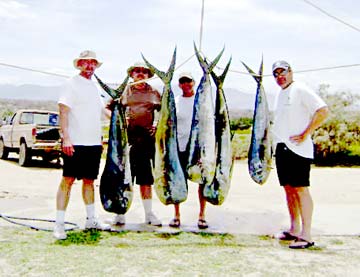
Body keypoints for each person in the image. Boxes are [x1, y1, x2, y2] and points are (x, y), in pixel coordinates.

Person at [53, 50, 111, 240]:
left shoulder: (95, 87)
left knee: (89, 182)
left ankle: (91, 219)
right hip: (75, 143)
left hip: (94, 143)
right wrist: (66, 138)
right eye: (85, 62)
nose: (89, 66)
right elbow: (63, 110)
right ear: (79, 65)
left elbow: (103, 111)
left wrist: (121, 118)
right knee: (67, 181)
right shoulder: (71, 84)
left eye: (93, 62)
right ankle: (59, 225)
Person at [272, 60, 329, 249]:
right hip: (282, 148)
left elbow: (323, 111)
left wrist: (306, 133)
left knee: (301, 189)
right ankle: (294, 228)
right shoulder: (280, 93)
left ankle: (307, 235)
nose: (280, 76)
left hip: (298, 149)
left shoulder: (301, 89)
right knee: (288, 189)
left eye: (283, 72)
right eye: (276, 74)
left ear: (291, 72)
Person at [109, 62, 162, 226]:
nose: (140, 74)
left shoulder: (154, 92)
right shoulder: (123, 92)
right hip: (126, 142)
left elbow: (162, 112)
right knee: (124, 179)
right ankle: (120, 212)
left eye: (144, 72)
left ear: (148, 75)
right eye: (137, 71)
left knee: (146, 179)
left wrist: (157, 124)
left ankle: (148, 214)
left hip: (146, 142)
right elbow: (107, 110)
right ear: (131, 74)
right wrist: (119, 121)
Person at [168, 72, 208, 229]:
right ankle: (176, 216)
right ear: (179, 85)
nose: (186, 84)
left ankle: (202, 216)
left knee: (201, 181)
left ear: (194, 82)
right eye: (182, 82)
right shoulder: (175, 102)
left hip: (198, 148)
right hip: (179, 146)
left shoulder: (201, 102)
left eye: (188, 81)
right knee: (178, 180)